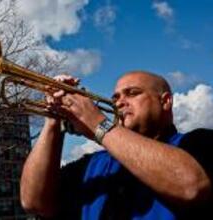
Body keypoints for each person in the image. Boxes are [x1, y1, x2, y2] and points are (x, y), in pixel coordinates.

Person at [20, 70, 213, 219]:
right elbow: (35, 202)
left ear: (165, 101)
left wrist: (97, 124)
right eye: (116, 97)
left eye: (132, 93)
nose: (119, 103)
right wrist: (53, 120)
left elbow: (190, 185)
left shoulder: (198, 142)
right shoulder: (92, 164)